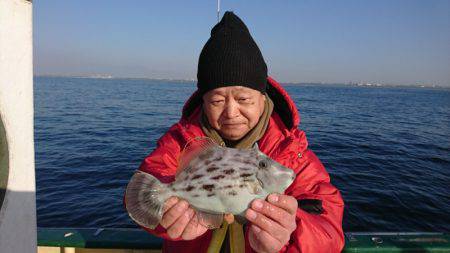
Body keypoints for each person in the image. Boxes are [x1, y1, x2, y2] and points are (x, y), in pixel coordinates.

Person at [125, 11, 344, 253]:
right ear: (203, 101)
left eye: (243, 98)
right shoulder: (179, 142)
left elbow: (329, 231)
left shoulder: (293, 154)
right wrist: (164, 219)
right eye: (217, 100)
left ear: (263, 97)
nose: (231, 112)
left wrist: (291, 232)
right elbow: (143, 192)